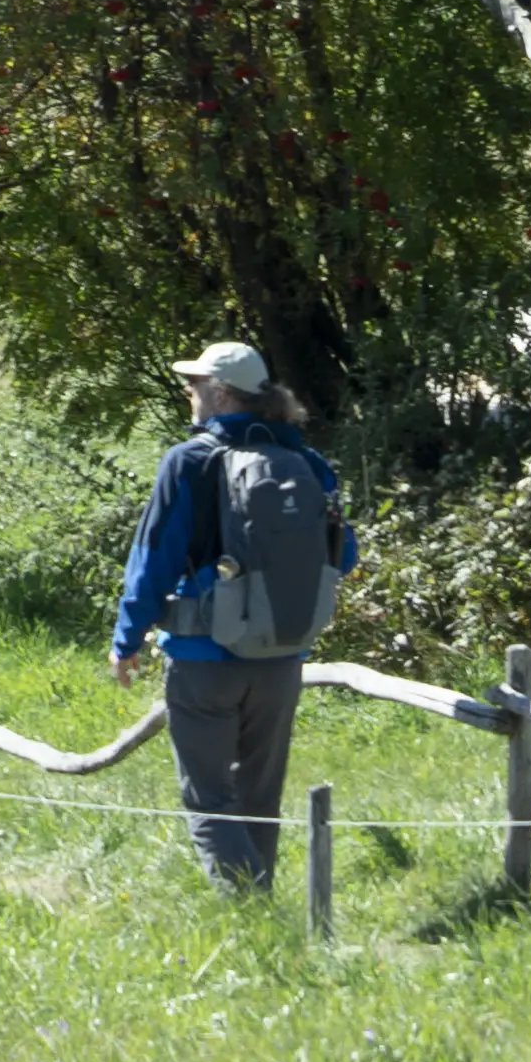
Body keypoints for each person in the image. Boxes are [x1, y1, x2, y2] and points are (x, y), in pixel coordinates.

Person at [112, 333, 353, 887]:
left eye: (195, 384)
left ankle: (249, 909)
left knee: (209, 796)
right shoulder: (306, 462)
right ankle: (259, 897)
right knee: (259, 794)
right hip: (283, 656)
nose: (189, 393)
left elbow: (152, 559)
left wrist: (127, 640)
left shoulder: (189, 461)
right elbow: (343, 553)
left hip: (203, 657)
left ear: (222, 395)